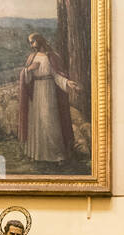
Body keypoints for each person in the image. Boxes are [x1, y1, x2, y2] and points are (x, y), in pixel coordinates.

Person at [18, 33, 80, 164]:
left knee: (49, 121)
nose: (31, 45)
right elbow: (25, 77)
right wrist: (29, 69)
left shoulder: (51, 56)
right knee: (37, 121)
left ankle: (58, 155)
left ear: (39, 41)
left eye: (33, 41)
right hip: (36, 92)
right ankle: (37, 155)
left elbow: (56, 75)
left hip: (49, 91)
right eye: (30, 42)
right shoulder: (32, 57)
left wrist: (68, 82)